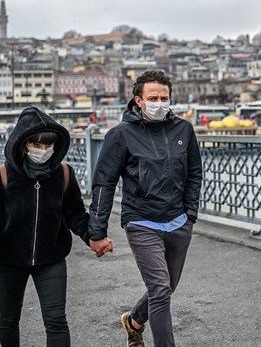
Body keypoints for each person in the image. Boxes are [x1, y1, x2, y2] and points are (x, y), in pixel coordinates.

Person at [0, 106, 107, 347]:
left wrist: (93, 236)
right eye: (36, 145)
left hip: (51, 257)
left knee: (56, 321)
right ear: (22, 144)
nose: (42, 151)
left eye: (47, 146)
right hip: (8, 260)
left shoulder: (63, 173)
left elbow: (74, 213)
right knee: (10, 318)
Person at [88, 70, 202, 347]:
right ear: (139, 100)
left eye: (164, 97)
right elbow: (104, 183)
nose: (160, 102)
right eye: (153, 98)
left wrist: (190, 214)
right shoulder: (120, 135)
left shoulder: (183, 130)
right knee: (160, 289)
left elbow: (194, 173)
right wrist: (97, 232)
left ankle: (135, 321)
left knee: (166, 286)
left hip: (178, 221)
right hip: (142, 221)